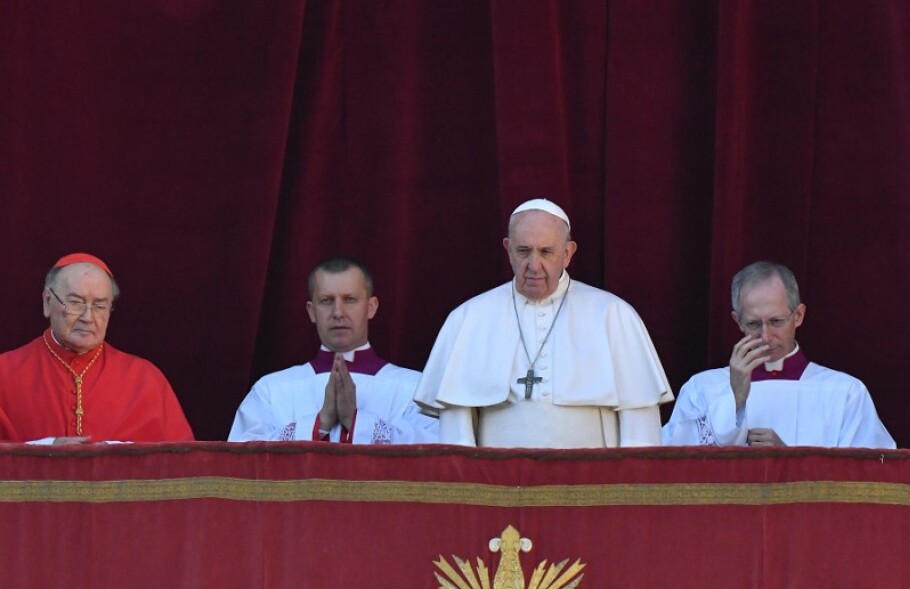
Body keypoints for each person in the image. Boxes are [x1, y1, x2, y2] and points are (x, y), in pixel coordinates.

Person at [414, 198, 673, 448]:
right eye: (523, 251)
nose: (534, 265)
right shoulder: (470, 318)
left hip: (591, 487)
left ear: (567, 253)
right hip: (499, 486)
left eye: (546, 252)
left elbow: (640, 431)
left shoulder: (613, 315)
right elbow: (456, 434)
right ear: (508, 249)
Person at [663, 261, 894, 448]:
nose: (766, 336)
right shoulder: (701, 389)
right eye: (753, 324)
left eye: (776, 321)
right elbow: (678, 472)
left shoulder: (846, 393)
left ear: (798, 316)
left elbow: (869, 477)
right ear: (738, 321)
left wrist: (788, 462)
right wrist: (735, 400)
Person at [229, 256, 437, 444]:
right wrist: (320, 423)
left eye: (350, 299)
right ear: (311, 311)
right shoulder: (271, 391)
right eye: (326, 301)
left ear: (371, 307)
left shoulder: (416, 390)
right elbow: (241, 459)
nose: (338, 313)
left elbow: (440, 455)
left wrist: (357, 422)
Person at [0, 253, 193, 443]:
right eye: (76, 302)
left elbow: (181, 462)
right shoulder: (5, 373)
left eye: (100, 306)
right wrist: (45, 448)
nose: (88, 317)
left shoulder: (145, 379)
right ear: (47, 302)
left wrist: (117, 456)